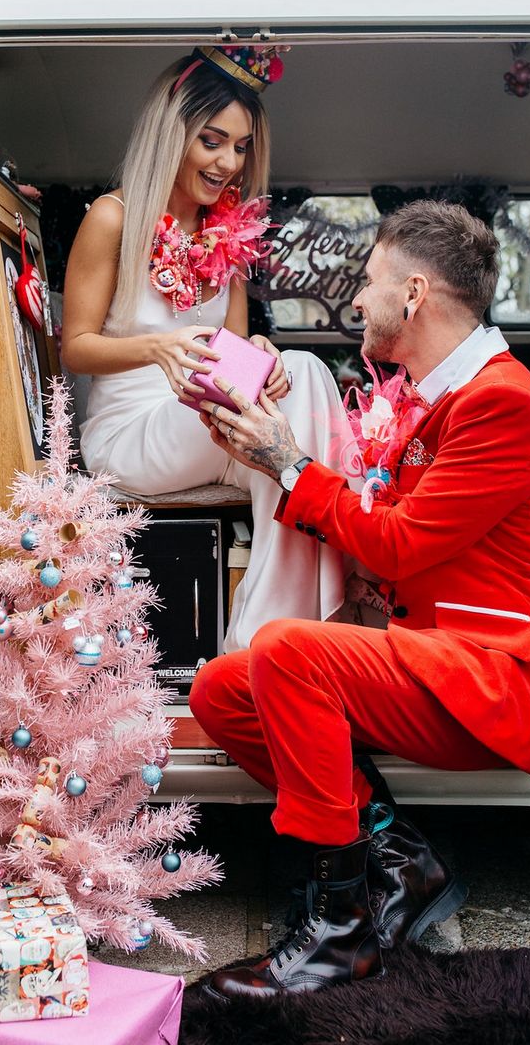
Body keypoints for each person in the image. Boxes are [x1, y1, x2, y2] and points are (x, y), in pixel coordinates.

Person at [190, 199, 530, 999]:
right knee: (223, 688)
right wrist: (267, 459)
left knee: (288, 652)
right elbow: (386, 526)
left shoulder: (502, 401)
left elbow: (399, 542)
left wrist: (290, 462)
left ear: (416, 293)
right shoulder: (435, 397)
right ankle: (399, 856)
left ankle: (340, 929)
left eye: (369, 281)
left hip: (486, 680)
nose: (357, 299)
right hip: (426, 660)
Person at [62, 46, 354, 650]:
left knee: (296, 377)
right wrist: (157, 348)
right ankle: (277, 637)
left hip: (212, 425)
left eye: (241, 147)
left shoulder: (231, 235)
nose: (228, 163)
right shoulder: (112, 219)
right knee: (299, 393)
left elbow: (237, 347)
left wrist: (264, 356)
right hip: (132, 436)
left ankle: (285, 637)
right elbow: (77, 349)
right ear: (174, 135)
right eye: (212, 141)